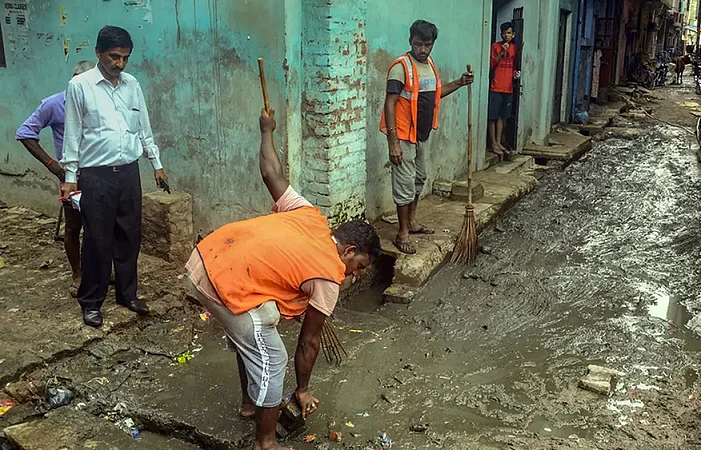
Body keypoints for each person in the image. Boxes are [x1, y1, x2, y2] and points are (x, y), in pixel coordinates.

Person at [186, 107, 382, 450]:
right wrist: (302, 389)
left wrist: (267, 130)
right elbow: (308, 342)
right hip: (221, 283)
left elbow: (271, 172)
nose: (356, 274)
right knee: (272, 357)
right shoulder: (328, 275)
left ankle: (251, 405)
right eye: (360, 265)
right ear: (349, 250)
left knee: (259, 327)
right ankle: (266, 443)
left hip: (206, 257)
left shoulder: (308, 214)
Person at [60, 26, 168, 327]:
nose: (119, 63)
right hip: (97, 175)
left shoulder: (132, 85)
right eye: (114, 56)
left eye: (125, 58)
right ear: (98, 53)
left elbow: (143, 126)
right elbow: (73, 133)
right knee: (97, 240)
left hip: (129, 172)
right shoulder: (80, 86)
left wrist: (156, 164)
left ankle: (127, 293)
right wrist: (70, 176)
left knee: (129, 236)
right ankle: (91, 301)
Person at [380, 19, 474, 255]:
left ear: (432, 44)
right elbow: (389, 104)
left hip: (421, 135)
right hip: (402, 134)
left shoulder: (429, 65)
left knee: (419, 179)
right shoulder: (401, 67)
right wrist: (393, 142)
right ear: (410, 41)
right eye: (418, 44)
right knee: (404, 184)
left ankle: (412, 222)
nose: (423, 49)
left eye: (428, 45)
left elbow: (435, 95)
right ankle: (402, 233)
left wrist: (460, 83)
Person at [16, 60, 95, 297]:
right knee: (73, 227)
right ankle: (77, 274)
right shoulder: (54, 104)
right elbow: (25, 132)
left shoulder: (98, 103)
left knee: (100, 226)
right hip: (71, 177)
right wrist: (52, 165)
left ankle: (98, 270)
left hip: (99, 175)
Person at [488, 22, 519, 158]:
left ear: (513, 35)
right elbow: (491, 64)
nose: (506, 35)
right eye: (504, 33)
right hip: (496, 86)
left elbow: (514, 65)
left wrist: (515, 74)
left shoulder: (514, 48)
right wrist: (501, 51)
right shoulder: (495, 46)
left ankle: (499, 142)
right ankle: (493, 143)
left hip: (508, 87)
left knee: (502, 117)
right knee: (492, 116)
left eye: (509, 33)